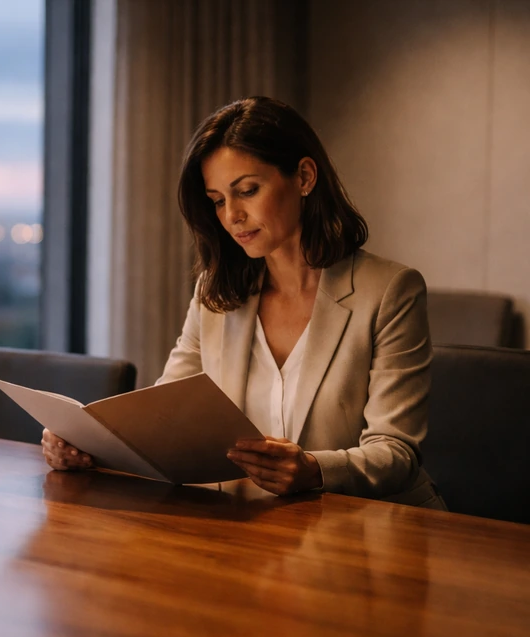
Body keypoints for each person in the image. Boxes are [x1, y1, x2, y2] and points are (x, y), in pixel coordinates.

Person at [42, 96, 446, 509]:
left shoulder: (391, 290)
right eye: (218, 200)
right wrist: (86, 445)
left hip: (374, 533)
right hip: (261, 528)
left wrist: (314, 469)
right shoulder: (216, 293)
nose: (232, 214)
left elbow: (396, 454)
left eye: (247, 191)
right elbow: (164, 419)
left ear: (304, 177)